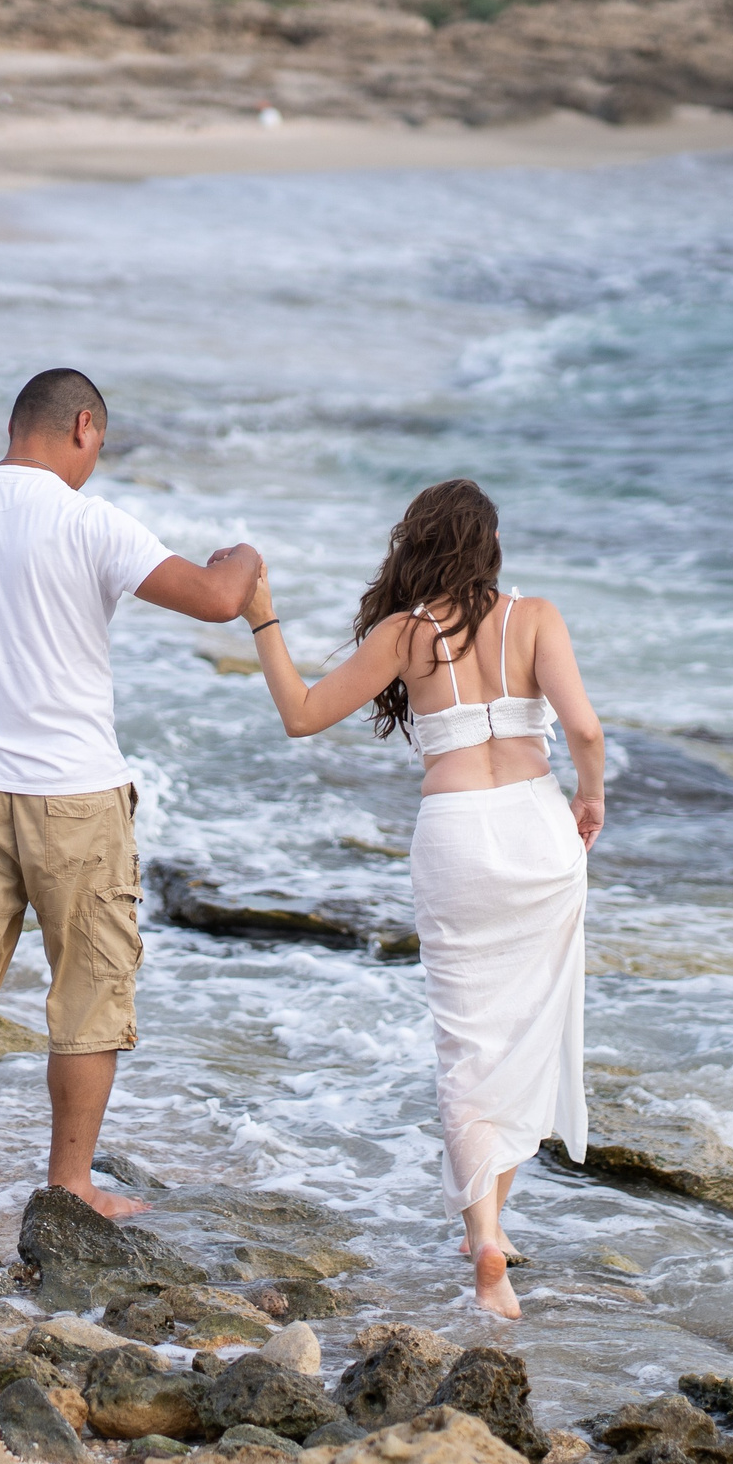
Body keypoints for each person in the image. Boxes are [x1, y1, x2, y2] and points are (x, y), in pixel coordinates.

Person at [0, 367, 262, 1240]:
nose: (94, 463)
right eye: (99, 447)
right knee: (89, 990)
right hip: (75, 797)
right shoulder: (88, 521)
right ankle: (70, 1184)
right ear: (83, 425)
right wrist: (245, 559)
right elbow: (218, 601)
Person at [239, 478, 604, 1317]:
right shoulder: (536, 616)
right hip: (539, 832)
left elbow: (299, 713)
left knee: (465, 1043)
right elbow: (583, 727)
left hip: (456, 840)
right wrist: (591, 796)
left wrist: (262, 614)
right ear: (490, 546)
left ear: (418, 544)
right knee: (529, 1034)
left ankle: (485, 1238)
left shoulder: (407, 635)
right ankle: (494, 1224)